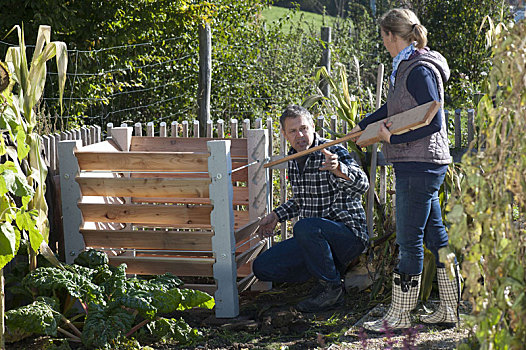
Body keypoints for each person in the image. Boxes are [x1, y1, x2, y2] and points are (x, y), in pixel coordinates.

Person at [349, 8, 461, 332]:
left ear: (390, 35)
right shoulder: (407, 66)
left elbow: (434, 119)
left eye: (382, 36)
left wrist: (393, 135)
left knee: (409, 241)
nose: (382, 42)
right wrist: (365, 124)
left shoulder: (419, 69)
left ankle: (399, 315)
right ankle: (449, 309)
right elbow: (396, 107)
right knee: (435, 238)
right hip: (424, 164)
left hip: (419, 164)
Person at [252, 105, 369, 313]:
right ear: (285, 135)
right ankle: (325, 274)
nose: (300, 135)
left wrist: (339, 169)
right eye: (293, 131)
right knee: (262, 267)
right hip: (315, 240)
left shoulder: (332, 150)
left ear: (313, 127)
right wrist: (276, 215)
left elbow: (363, 185)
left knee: (305, 228)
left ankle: (331, 290)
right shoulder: (294, 158)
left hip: (348, 237)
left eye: (304, 128)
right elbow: (301, 201)